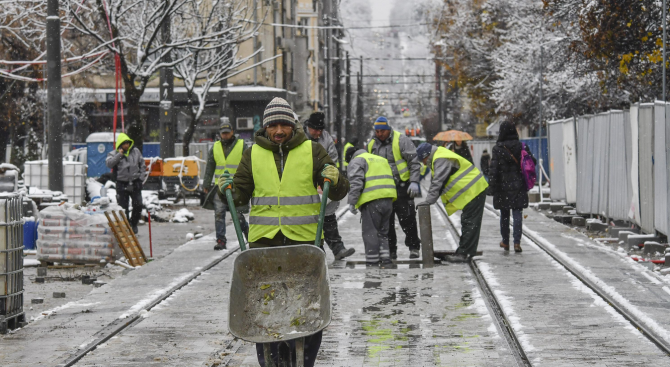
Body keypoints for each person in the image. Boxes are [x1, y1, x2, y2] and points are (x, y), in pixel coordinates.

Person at [218, 97, 349, 367]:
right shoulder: (252, 154)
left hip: (305, 245)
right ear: (265, 128)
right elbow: (240, 196)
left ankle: (305, 359)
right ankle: (272, 360)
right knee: (265, 309)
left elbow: (339, 189)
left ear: (293, 125)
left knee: (310, 309)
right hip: (263, 248)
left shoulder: (312, 151)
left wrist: (335, 179)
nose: (279, 131)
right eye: (273, 125)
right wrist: (227, 188)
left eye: (284, 125)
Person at [415, 142, 488, 262]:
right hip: (472, 190)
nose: (423, 163)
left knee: (469, 221)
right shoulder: (438, 156)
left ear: (426, 155)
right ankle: (466, 250)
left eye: (422, 160)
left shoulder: (439, 158)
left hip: (474, 189)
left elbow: (438, 181)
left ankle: (464, 253)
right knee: (468, 221)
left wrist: (428, 202)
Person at [367, 116, 422, 259]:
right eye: (377, 131)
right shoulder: (372, 144)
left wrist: (414, 181)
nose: (380, 134)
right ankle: (391, 251)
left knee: (407, 219)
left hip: (402, 187)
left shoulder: (401, 140)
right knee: (387, 222)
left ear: (388, 130)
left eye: (382, 131)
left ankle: (413, 246)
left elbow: (414, 163)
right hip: (383, 189)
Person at [303, 112, 355, 260]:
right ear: (308, 127)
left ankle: (337, 248)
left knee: (328, 216)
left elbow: (332, 159)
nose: (318, 133)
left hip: (320, 182)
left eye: (320, 130)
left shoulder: (326, 138)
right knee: (309, 220)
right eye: (315, 130)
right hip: (303, 182)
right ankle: (318, 250)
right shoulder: (299, 136)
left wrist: (327, 177)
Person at [202, 118, 249, 250]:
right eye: (223, 133)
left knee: (238, 216)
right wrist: (206, 184)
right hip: (220, 187)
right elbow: (210, 166)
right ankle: (221, 240)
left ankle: (248, 236)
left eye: (228, 133)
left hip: (236, 188)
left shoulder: (241, 145)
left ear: (232, 132)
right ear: (220, 133)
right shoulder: (215, 147)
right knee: (219, 214)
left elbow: (248, 164)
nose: (226, 135)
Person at [488, 121, 536, 253]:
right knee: (517, 214)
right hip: (518, 185)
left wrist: (491, 187)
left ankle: (505, 241)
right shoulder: (521, 147)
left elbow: (494, 170)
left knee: (504, 215)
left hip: (503, 187)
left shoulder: (498, 149)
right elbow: (533, 162)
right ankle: (517, 242)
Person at [345, 148, 397, 268]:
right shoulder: (381, 159)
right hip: (388, 199)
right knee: (383, 233)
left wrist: (352, 202)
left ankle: (372, 263)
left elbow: (356, 183)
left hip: (372, 200)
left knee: (370, 233)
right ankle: (386, 260)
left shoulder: (358, 161)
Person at [105, 133, 146, 234]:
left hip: (135, 182)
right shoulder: (113, 153)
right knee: (123, 207)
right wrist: (120, 154)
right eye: (124, 144)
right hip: (121, 183)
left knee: (138, 205)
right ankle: (126, 226)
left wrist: (140, 179)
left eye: (127, 143)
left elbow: (142, 165)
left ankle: (134, 223)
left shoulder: (136, 151)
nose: (126, 145)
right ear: (120, 145)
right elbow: (109, 164)